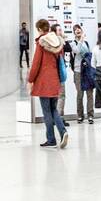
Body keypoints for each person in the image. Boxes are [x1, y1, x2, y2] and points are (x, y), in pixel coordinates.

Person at [27, 19, 69, 148]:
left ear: (39, 29)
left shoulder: (41, 43)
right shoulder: (58, 42)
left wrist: (30, 80)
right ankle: (63, 132)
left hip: (44, 82)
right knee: (53, 109)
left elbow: (36, 64)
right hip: (55, 80)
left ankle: (51, 139)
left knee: (47, 111)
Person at [69, 24, 94, 124]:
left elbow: (89, 56)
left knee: (89, 94)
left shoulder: (87, 43)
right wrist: (80, 40)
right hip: (78, 71)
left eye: (79, 28)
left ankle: (90, 115)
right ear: (74, 32)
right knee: (80, 94)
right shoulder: (73, 43)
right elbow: (77, 51)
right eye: (75, 29)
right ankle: (80, 115)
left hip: (87, 71)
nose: (78, 30)